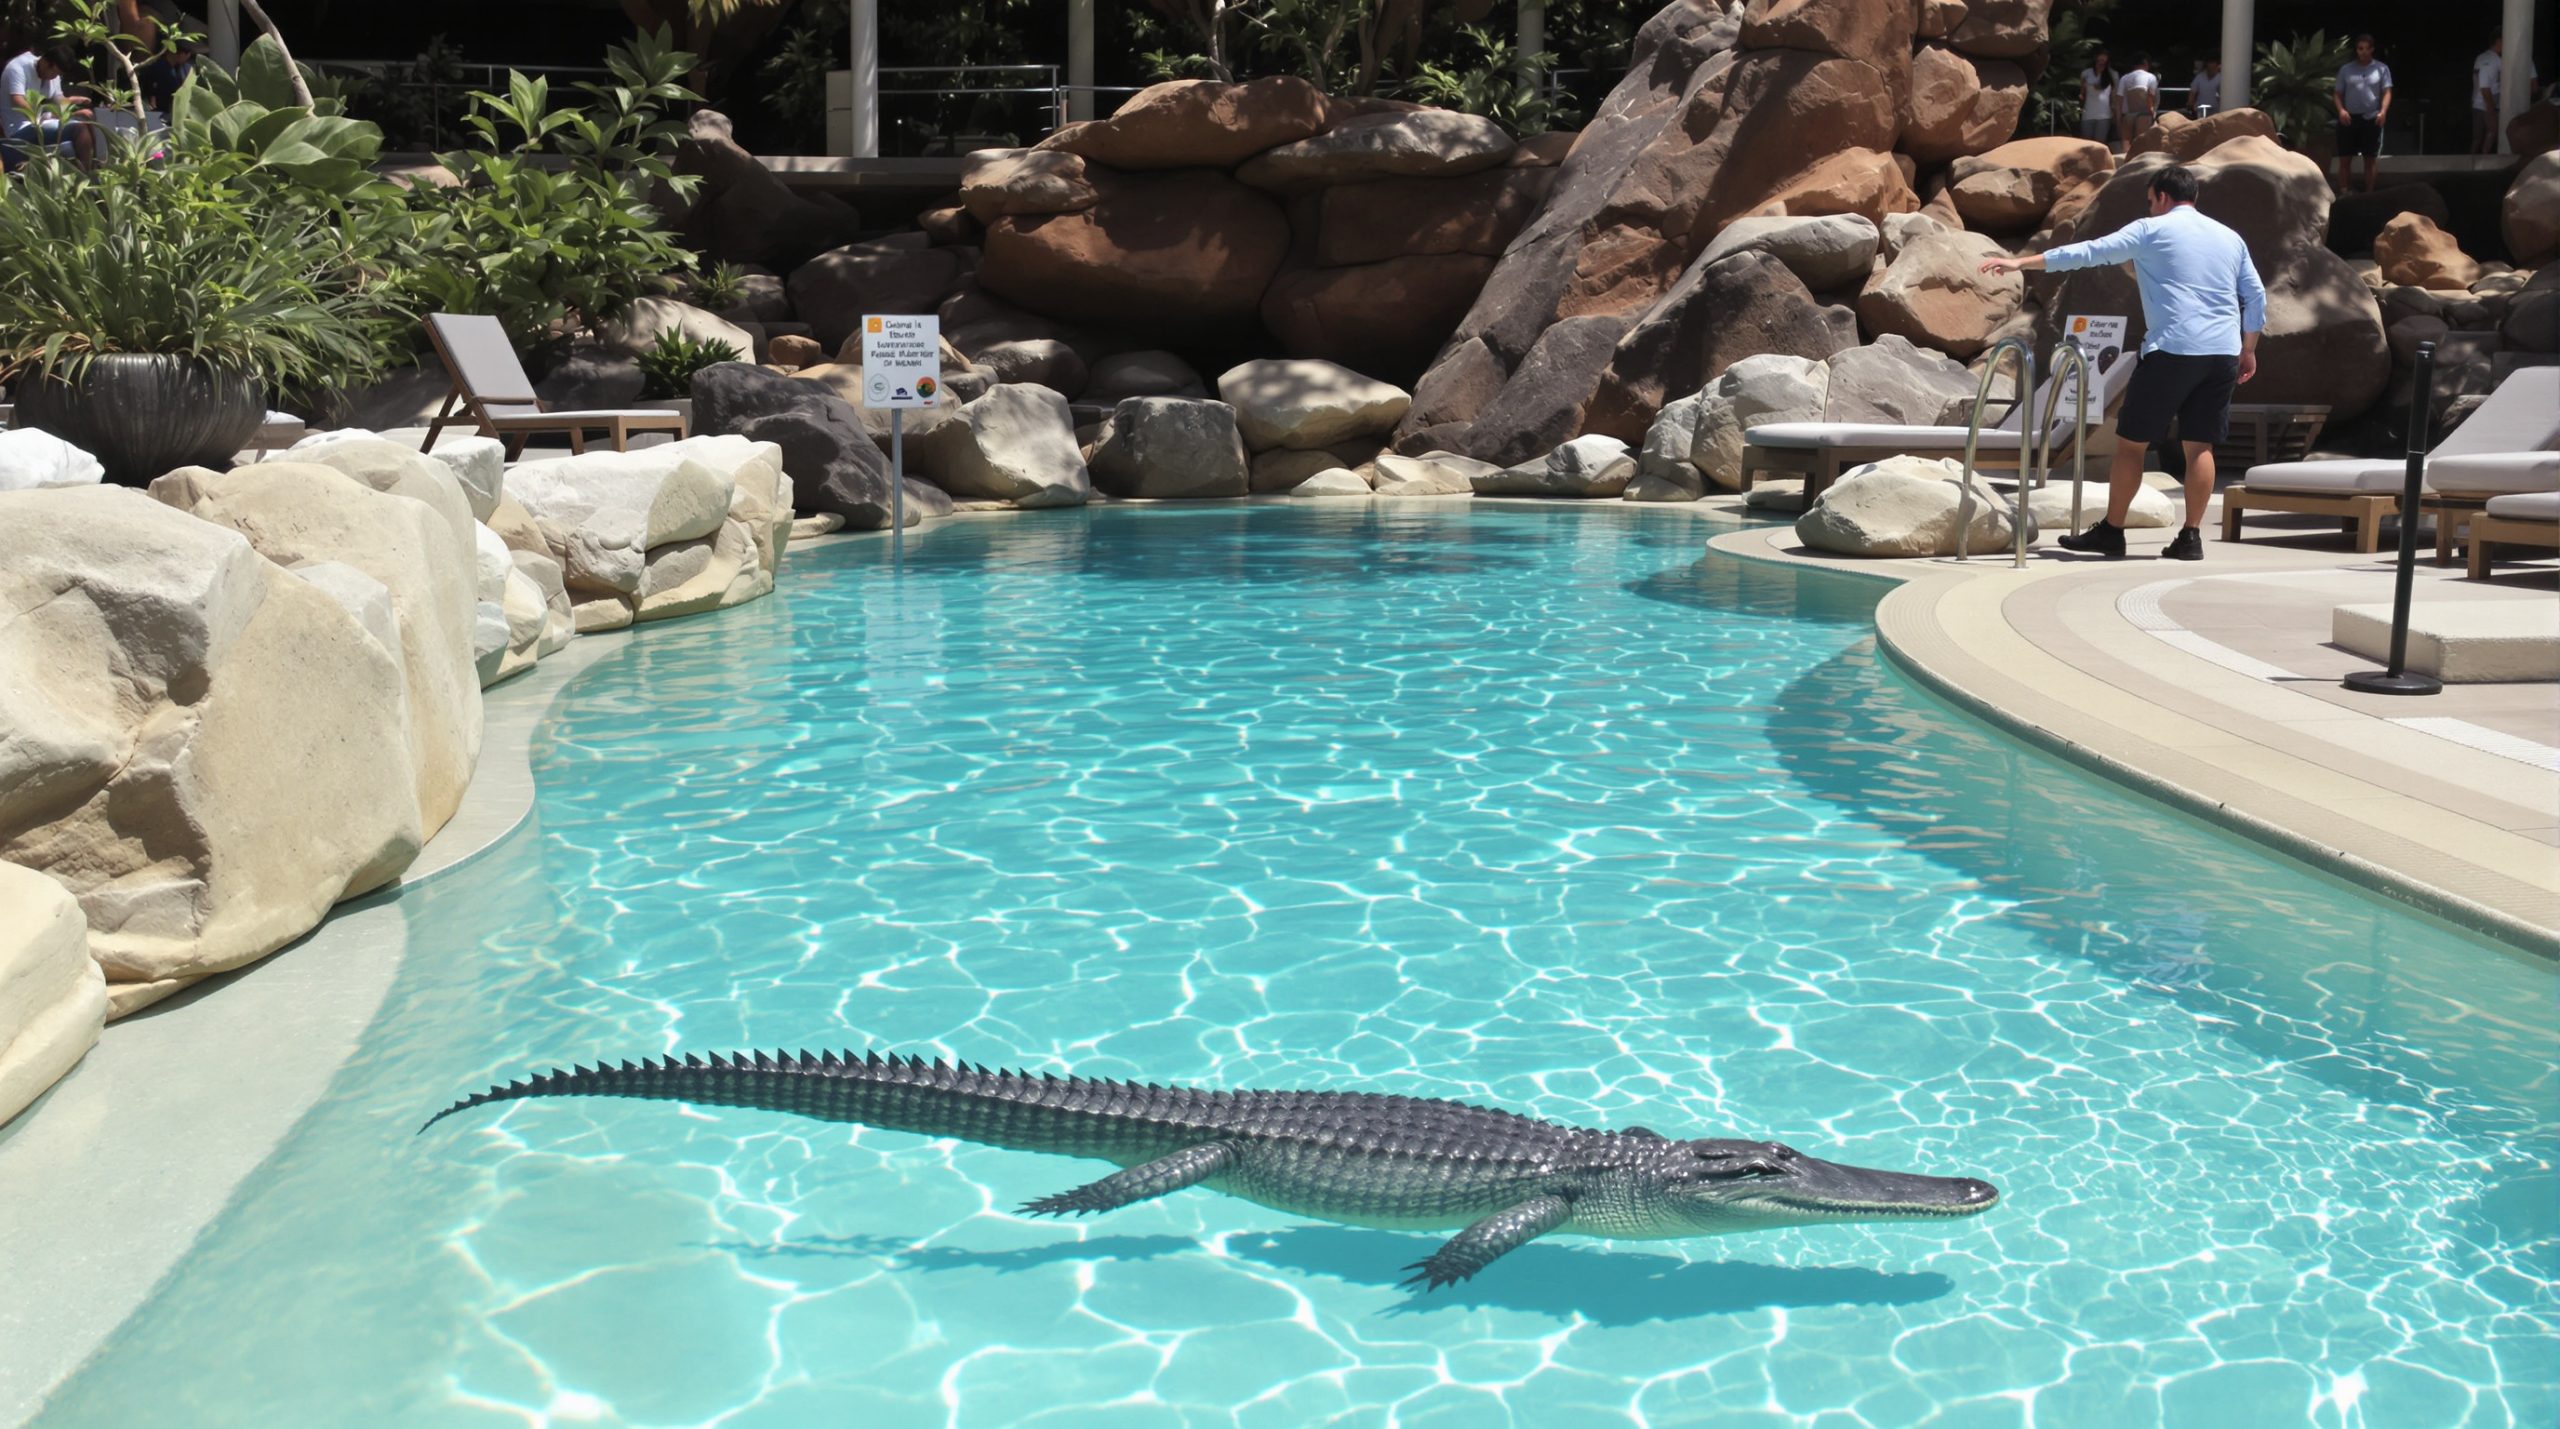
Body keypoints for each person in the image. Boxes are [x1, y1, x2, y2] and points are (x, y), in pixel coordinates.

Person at [1977, 165, 2266, 562]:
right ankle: (2191, 537)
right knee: (2200, 446)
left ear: (2162, 197)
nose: (2149, 209)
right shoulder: (2229, 237)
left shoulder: (2151, 230)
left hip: (2172, 350)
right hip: (2221, 354)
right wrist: (2248, 348)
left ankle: (2112, 532)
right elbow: (2256, 295)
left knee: (2132, 445)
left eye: (2150, 201)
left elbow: (2088, 252)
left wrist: (2022, 263)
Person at [3, 45, 96, 168]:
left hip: (41, 123)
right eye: (54, 73)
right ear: (45, 62)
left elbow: (59, 101)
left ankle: (94, 166)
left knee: (87, 119)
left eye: (58, 74)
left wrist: (74, 103)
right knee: (79, 128)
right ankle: (86, 176)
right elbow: (18, 101)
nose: (54, 77)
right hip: (19, 128)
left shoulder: (53, 74)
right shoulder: (17, 68)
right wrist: (48, 115)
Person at [2334, 35, 2391, 193]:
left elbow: (2387, 92)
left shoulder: (2381, 69)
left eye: (2367, 48)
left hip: (2372, 118)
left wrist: (2383, 112)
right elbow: (2337, 93)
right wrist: (2341, 110)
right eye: (2360, 48)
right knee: (2345, 159)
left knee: (2370, 159)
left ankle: (2369, 193)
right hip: (2349, 119)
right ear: (2357, 50)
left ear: (2372, 49)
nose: (2363, 52)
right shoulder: (2346, 70)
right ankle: (2344, 192)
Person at [2474, 33, 2543, 155]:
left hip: (2492, 105)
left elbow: (2534, 86)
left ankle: (2479, 165)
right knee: (2490, 134)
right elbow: (2485, 89)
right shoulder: (2491, 59)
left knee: (2484, 137)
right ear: (2499, 41)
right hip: (2492, 105)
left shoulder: (2488, 58)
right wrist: (2492, 112)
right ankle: (2481, 164)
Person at [2116, 52, 2161, 145]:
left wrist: (2118, 118)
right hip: (2144, 114)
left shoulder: (2125, 78)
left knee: (2126, 142)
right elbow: (2150, 96)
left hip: (2128, 115)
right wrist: (2152, 112)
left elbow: (2119, 99)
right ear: (2145, 63)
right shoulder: (2151, 77)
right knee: (2141, 144)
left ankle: (2126, 159)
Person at [2079, 48, 2117, 144]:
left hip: (2104, 115)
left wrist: (2115, 113)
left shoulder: (2112, 74)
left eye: (2104, 61)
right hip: (2088, 113)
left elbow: (2114, 95)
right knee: (2086, 143)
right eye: (2099, 60)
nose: (2101, 63)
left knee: (2100, 143)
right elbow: (2082, 93)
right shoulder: (2086, 73)